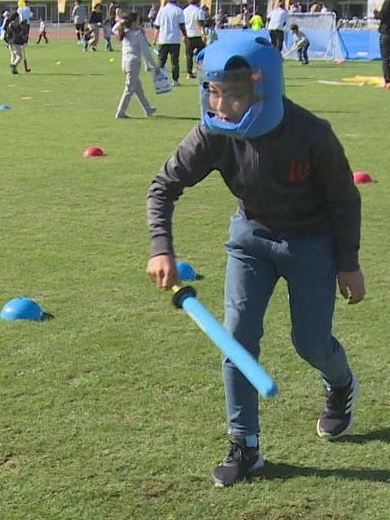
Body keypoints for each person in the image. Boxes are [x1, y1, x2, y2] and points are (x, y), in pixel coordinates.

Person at [144, 37, 364, 487]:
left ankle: (340, 384)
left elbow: (344, 199)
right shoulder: (211, 132)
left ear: (264, 88)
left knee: (311, 344)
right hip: (251, 239)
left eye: (235, 93)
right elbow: (163, 185)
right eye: (214, 91)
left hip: (311, 243)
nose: (222, 104)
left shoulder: (312, 134)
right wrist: (160, 246)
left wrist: (349, 262)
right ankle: (245, 444)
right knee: (236, 338)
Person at [113, 11, 161, 119]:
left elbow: (113, 29)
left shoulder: (124, 32)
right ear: (133, 22)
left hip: (125, 64)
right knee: (129, 88)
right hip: (133, 63)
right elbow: (146, 52)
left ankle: (147, 108)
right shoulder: (137, 34)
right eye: (138, 21)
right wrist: (154, 65)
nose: (139, 23)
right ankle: (120, 111)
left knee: (138, 88)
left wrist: (120, 22)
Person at [154, 0, 185, 84]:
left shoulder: (162, 10)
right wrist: (185, 35)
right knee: (174, 61)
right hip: (174, 39)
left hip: (163, 39)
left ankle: (159, 80)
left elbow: (157, 26)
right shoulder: (178, 10)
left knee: (161, 60)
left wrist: (155, 39)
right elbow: (182, 25)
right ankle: (175, 80)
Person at [182, 0, 207, 79]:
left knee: (189, 55)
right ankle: (199, 69)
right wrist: (203, 34)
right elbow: (201, 23)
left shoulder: (185, 11)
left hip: (188, 35)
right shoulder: (199, 10)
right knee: (202, 53)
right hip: (197, 35)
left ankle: (189, 73)